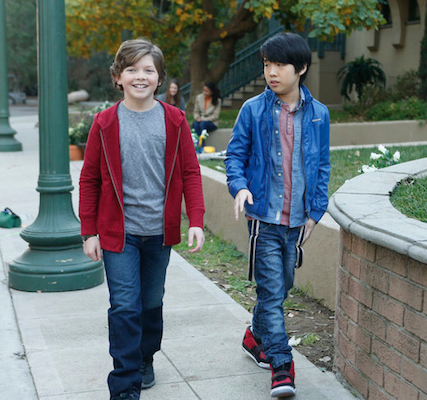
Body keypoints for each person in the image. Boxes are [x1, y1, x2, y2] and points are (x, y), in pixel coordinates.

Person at [79, 38, 206, 400]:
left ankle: (145, 357)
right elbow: (89, 179)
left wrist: (196, 220)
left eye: (148, 70)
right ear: (118, 77)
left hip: (159, 234)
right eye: (131, 69)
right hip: (118, 234)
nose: (140, 76)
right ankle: (125, 384)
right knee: (124, 306)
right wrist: (89, 231)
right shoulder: (104, 122)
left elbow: (190, 173)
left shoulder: (175, 120)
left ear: (160, 78)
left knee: (150, 303)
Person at [224, 32, 330, 398]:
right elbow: (235, 156)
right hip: (264, 219)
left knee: (280, 288)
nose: (271, 72)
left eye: (280, 65)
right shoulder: (253, 109)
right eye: (267, 64)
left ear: (300, 68)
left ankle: (254, 336)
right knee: (271, 294)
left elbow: (323, 165)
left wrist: (315, 212)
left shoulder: (319, 115)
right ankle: (282, 366)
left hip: (297, 221)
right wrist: (240, 188)